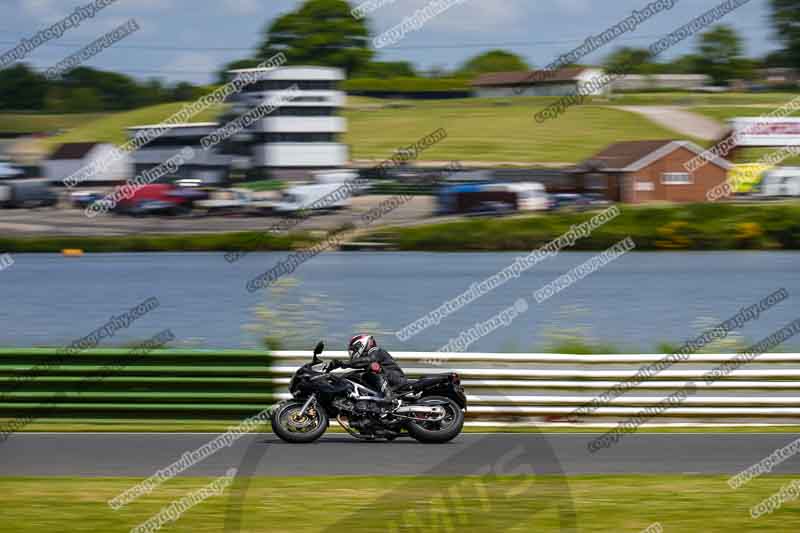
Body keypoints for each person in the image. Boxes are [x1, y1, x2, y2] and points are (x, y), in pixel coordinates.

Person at [327, 334, 407, 400]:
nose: (353, 353)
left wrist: (342, 364)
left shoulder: (376, 351)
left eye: (354, 350)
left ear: (361, 345)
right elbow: (358, 364)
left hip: (396, 380)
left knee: (371, 370)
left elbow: (366, 360)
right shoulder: (369, 356)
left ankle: (388, 395)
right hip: (390, 381)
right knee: (362, 375)